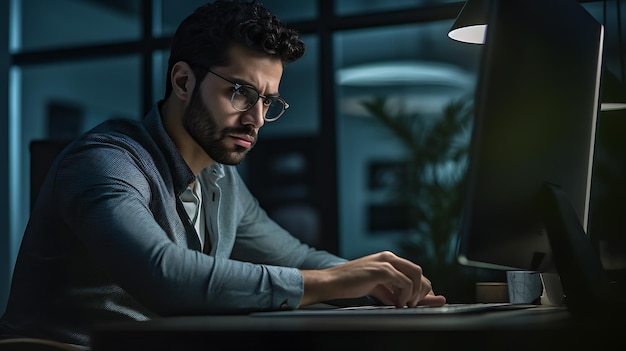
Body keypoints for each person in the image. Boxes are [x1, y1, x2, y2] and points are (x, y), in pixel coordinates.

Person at [0, 0, 446, 347]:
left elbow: (293, 258)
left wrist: (381, 281)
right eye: (239, 92)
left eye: (267, 101)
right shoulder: (104, 160)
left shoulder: (220, 177)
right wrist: (339, 279)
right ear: (182, 82)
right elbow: (165, 276)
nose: (255, 118)